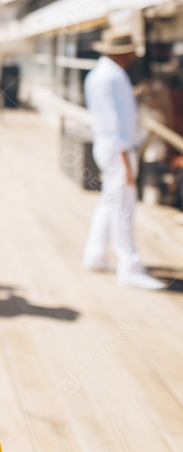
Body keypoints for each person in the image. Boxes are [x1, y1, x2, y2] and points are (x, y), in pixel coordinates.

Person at [82, 30, 165, 290]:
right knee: (123, 207)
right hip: (118, 150)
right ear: (123, 53)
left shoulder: (100, 74)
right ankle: (129, 265)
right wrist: (125, 162)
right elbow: (112, 121)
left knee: (110, 201)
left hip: (109, 146)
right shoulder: (112, 77)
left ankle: (96, 254)